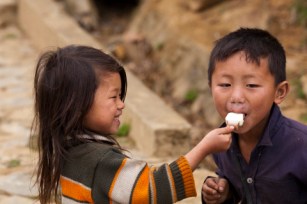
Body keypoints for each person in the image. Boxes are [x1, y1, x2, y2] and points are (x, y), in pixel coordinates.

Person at [31, 44, 234, 204]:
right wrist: (204, 147)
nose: (121, 105)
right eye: (113, 97)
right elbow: (153, 189)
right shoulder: (101, 161)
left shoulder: (68, 148)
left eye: (121, 96)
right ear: (78, 103)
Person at [201, 27, 307, 204]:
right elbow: (237, 185)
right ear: (210, 86)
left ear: (279, 92)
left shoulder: (301, 146)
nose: (236, 97)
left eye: (251, 85)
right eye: (225, 84)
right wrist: (223, 192)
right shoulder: (221, 145)